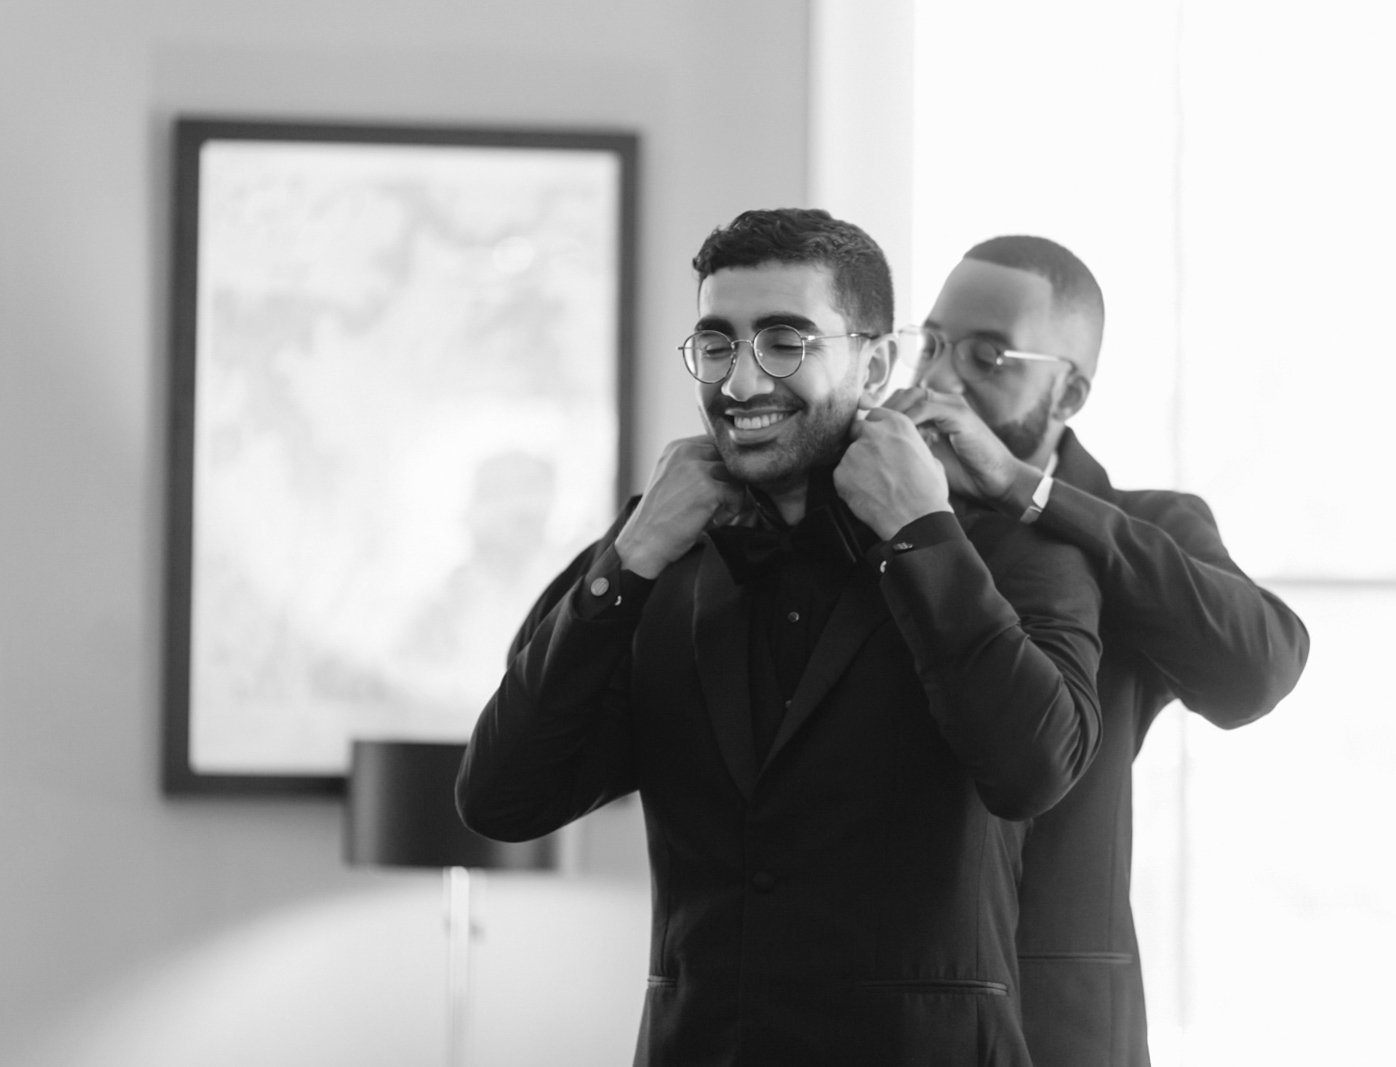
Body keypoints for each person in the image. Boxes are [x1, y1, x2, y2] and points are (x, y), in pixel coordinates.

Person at [455, 209, 1106, 1066]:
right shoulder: (654, 553)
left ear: (873, 363)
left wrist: (921, 535)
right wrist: (635, 553)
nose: (741, 381)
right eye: (717, 344)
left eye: (786, 341)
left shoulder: (1005, 546)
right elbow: (501, 797)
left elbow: (1034, 768)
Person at [887, 234, 1311, 1066]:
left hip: (1064, 1031)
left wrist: (1028, 493)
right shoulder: (874, 506)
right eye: (932, 344)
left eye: (988, 355)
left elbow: (1259, 667)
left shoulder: (1145, 527)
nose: (938, 381)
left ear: (1069, 390)